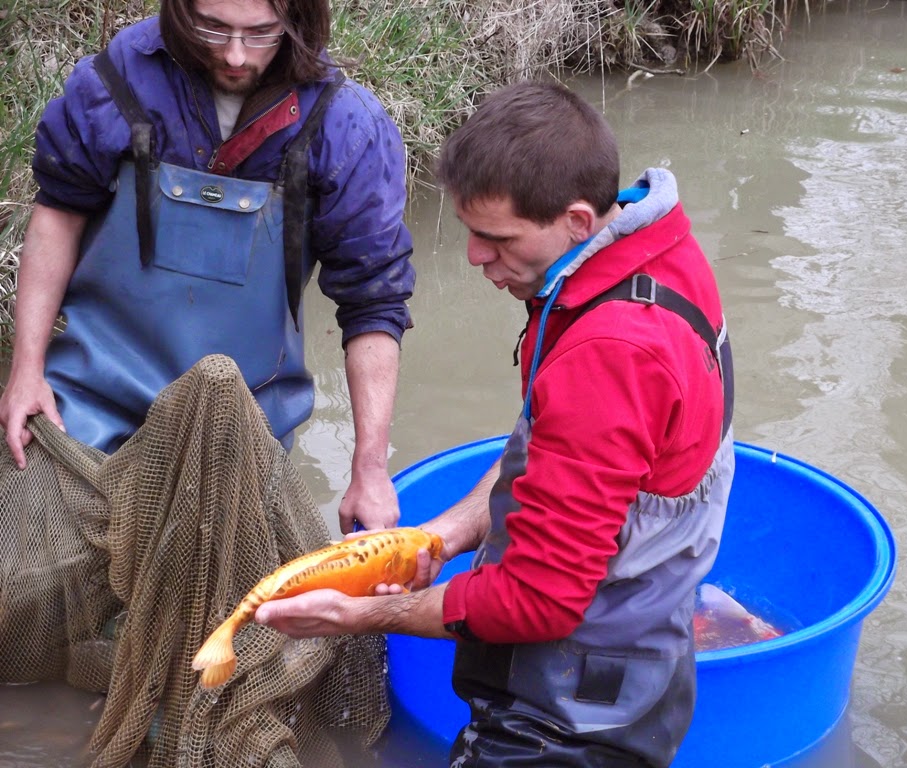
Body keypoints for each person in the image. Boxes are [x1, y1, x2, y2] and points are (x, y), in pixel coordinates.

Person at [254, 80, 736, 767]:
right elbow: (545, 444)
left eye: (495, 237)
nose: (476, 256)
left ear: (575, 218)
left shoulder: (613, 351)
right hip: (641, 674)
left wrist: (362, 616)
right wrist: (441, 536)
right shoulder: (653, 255)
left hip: (567, 720)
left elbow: (539, 601)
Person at [0, 0, 415, 531]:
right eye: (213, 28)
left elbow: (373, 302)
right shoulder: (121, 76)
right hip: (87, 399)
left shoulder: (344, 123)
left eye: (261, 33)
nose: (236, 55)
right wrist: (24, 370)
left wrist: (370, 467)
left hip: (243, 426)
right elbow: (58, 211)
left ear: (298, 23)